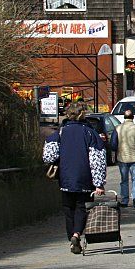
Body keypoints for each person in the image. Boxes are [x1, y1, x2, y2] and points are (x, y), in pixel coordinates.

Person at [42, 104, 106, 254]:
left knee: (68, 209)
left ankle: (71, 236)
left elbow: (48, 156)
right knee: (81, 207)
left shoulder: (60, 132)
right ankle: (77, 234)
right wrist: (99, 183)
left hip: (65, 177)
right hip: (84, 177)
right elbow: (97, 160)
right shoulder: (90, 133)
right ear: (83, 115)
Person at [110, 109, 135, 208]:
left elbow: (113, 145)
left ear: (124, 117)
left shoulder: (118, 128)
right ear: (133, 117)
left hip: (122, 158)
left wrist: (118, 149)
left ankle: (124, 200)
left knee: (124, 180)